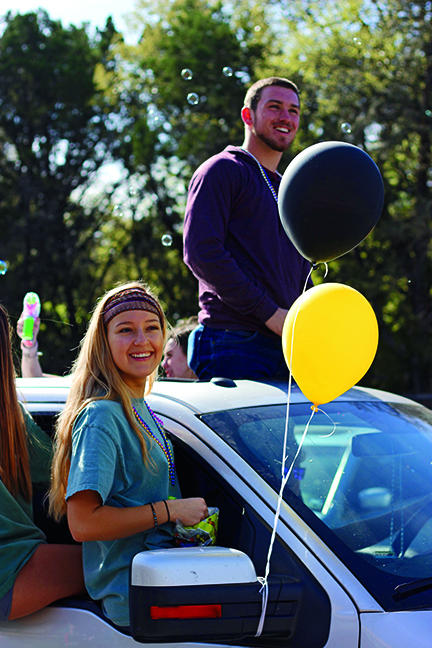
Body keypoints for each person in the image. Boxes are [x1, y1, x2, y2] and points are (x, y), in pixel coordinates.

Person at [49, 281, 208, 629]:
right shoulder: (102, 415)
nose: (142, 340)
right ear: (104, 343)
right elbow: (83, 523)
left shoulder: (143, 407)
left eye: (152, 328)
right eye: (125, 330)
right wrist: (171, 510)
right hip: (137, 607)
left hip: (165, 589)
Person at [183, 77, 313, 381]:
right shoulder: (223, 169)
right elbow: (201, 252)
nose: (286, 117)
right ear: (248, 116)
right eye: (274, 107)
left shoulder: (289, 189)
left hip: (288, 346)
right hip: (235, 342)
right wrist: (271, 314)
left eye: (294, 111)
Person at [0, 304, 85, 622]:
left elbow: (58, 471)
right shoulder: (8, 413)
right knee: (124, 562)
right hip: (14, 570)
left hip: (18, 565)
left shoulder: (11, 415)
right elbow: (64, 472)